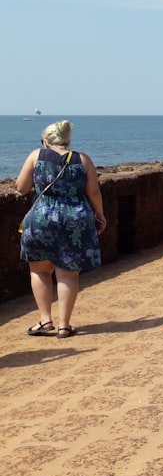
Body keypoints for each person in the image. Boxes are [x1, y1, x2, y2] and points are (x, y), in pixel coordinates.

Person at [15, 120, 106, 339]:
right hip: (75, 219)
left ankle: (46, 320)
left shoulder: (36, 155)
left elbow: (21, 187)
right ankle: (64, 325)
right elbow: (93, 192)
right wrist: (100, 215)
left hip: (41, 218)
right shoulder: (82, 159)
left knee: (39, 270)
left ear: (45, 141)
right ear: (67, 141)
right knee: (68, 274)